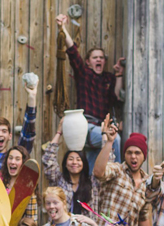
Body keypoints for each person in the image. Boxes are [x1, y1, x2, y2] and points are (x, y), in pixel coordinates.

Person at [55, 14, 123, 170]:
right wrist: (63, 28)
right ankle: (119, 174)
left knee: (92, 165)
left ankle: (92, 189)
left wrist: (119, 75)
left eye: (101, 57)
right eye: (95, 57)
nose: (98, 60)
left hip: (102, 127)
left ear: (104, 61)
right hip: (87, 126)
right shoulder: (84, 74)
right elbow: (72, 52)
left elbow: (116, 97)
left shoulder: (109, 78)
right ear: (88, 61)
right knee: (116, 140)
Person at [93, 117, 153, 226]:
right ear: (124, 155)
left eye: (137, 153)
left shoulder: (147, 183)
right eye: (129, 152)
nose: (133, 156)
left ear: (144, 156)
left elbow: (142, 218)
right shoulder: (117, 170)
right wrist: (109, 142)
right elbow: (99, 172)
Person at [42, 118, 99, 217]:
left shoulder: (92, 183)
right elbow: (48, 159)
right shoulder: (58, 180)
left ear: (84, 163)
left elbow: (106, 166)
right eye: (71, 159)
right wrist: (59, 132)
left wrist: (106, 138)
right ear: (65, 163)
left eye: (78, 159)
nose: (74, 162)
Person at [0, 145, 38, 221]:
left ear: (23, 163)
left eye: (17, 159)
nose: (13, 162)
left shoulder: (28, 189)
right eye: (11, 158)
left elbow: (31, 221)